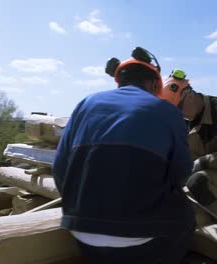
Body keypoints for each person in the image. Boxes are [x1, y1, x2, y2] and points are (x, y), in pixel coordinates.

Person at [52, 48, 195, 264]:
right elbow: (181, 173)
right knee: (185, 214)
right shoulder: (168, 112)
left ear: (118, 81)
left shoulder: (85, 103)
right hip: (142, 240)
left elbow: (59, 168)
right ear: (155, 84)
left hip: (81, 232)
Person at [158, 69, 217, 229]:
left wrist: (203, 161)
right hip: (194, 168)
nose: (178, 113)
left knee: (198, 182)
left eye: (179, 108)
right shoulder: (183, 118)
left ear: (190, 95)